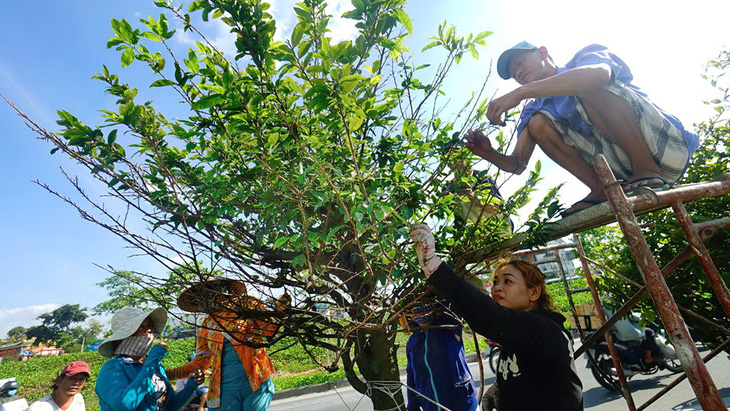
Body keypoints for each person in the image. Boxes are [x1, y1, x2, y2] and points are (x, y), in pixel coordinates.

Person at [464, 42, 700, 216]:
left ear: (543, 52)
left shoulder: (584, 57)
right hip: (624, 177)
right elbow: (517, 165)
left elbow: (598, 75)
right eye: (513, 75)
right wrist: (488, 153)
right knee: (537, 122)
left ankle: (646, 167)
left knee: (586, 82)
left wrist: (521, 92)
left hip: (664, 149)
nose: (517, 73)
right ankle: (600, 188)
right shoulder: (534, 109)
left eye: (520, 63)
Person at [408, 224, 583, 411]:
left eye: (508, 281)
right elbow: (531, 374)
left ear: (534, 292)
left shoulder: (542, 328)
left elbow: (489, 315)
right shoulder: (519, 335)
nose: (497, 288)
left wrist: (434, 265)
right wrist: (498, 389)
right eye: (496, 282)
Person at [166, 279, 283, 411]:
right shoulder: (207, 325)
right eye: (200, 296)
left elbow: (270, 330)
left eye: (209, 292)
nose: (206, 299)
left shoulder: (247, 305)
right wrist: (166, 374)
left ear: (222, 289)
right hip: (224, 389)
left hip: (257, 380)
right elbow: (201, 362)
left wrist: (280, 311)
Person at [95, 306, 205, 411]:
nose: (149, 330)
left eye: (150, 326)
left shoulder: (155, 366)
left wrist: (190, 386)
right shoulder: (113, 368)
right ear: (126, 336)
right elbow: (124, 405)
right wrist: (152, 361)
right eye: (141, 327)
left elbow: (171, 406)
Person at [403, 300, 479, 411]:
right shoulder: (413, 342)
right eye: (414, 309)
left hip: (463, 403)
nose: (420, 312)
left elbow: (453, 300)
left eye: (423, 306)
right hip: (431, 406)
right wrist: (413, 406)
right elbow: (411, 377)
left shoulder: (448, 327)